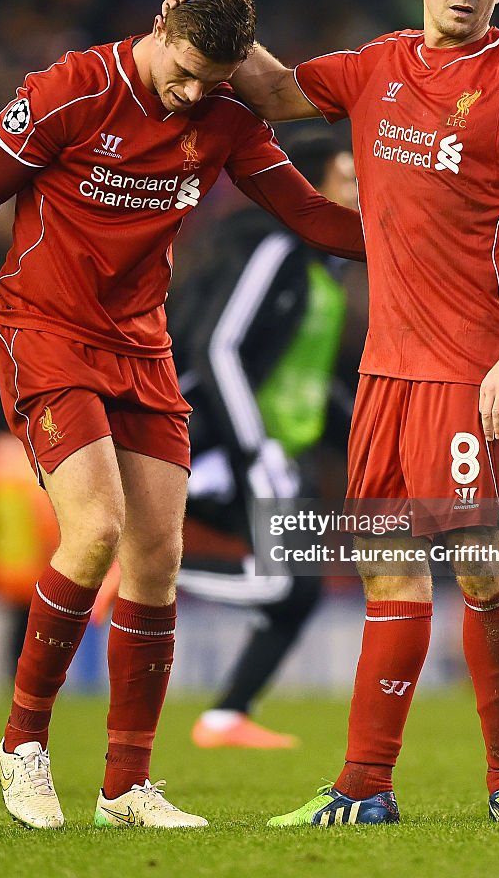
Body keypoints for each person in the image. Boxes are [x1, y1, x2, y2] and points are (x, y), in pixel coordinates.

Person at [166, 0, 499, 825]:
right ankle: (364, 787)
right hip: (387, 375)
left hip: (473, 367)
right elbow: (273, 92)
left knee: (479, 567)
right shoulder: (377, 65)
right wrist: (211, 20)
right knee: (387, 574)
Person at [0, 0, 364, 831]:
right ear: (162, 25)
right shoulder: (69, 91)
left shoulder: (228, 116)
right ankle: (22, 746)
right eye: (189, 71)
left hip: (142, 346)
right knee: (93, 533)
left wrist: (421, 239)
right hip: (45, 331)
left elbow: (311, 215)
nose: (196, 93)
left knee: (156, 559)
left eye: (217, 78)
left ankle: (125, 786)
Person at [175, 130, 358, 749]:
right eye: (349, 179)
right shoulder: (277, 246)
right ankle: (151, 568)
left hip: (280, 450)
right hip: (226, 445)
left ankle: (227, 715)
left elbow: (304, 378)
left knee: (296, 592)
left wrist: (368, 436)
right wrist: (254, 452)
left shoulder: (322, 269)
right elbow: (216, 349)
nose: (362, 193)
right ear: (309, 187)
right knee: (285, 581)